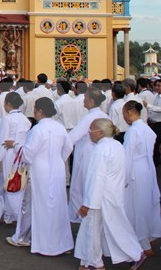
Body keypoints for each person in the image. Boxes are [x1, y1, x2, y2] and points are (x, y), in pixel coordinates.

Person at [75, 118, 146, 270]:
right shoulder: (116, 145)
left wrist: (88, 203)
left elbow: (96, 178)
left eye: (91, 130)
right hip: (113, 194)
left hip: (100, 197)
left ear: (100, 133)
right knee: (115, 226)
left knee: (93, 229)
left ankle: (95, 263)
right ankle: (134, 253)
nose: (89, 133)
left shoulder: (100, 150)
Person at [8, 97, 74, 255]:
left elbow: (28, 154)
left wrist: (15, 145)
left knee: (32, 205)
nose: (34, 111)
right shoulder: (59, 127)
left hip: (39, 171)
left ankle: (23, 237)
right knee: (57, 204)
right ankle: (61, 241)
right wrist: (58, 160)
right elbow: (69, 147)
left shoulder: (37, 130)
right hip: (56, 169)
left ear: (40, 111)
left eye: (35, 108)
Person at [122, 100, 161, 256]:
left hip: (134, 169)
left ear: (128, 112)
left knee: (136, 206)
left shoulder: (133, 131)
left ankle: (142, 241)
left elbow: (127, 156)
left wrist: (123, 178)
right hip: (147, 168)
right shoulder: (147, 129)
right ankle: (149, 234)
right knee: (146, 203)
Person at [67, 87, 109, 222]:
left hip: (87, 155)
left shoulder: (90, 118)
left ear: (91, 101)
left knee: (82, 187)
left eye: (85, 98)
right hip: (103, 155)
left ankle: (82, 217)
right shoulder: (105, 116)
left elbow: (72, 137)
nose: (83, 101)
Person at [0, 92, 31, 224]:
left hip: (9, 154)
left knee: (8, 182)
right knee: (18, 182)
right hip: (21, 153)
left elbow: (3, 140)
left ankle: (12, 213)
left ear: (8, 104)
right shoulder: (25, 119)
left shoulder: (8, 119)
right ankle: (11, 213)